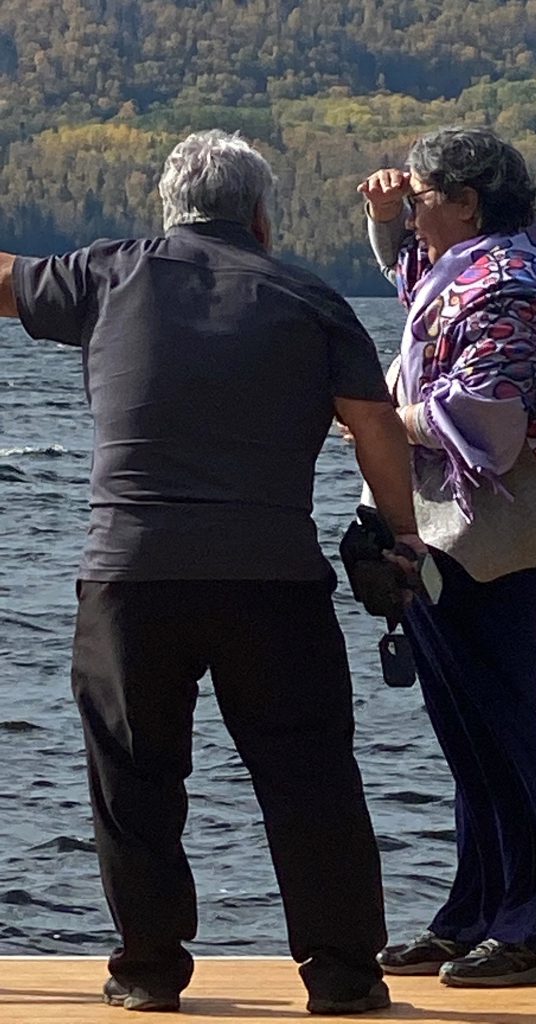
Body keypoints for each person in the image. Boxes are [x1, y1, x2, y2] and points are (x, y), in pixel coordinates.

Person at [0, 129, 427, 1016]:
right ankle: (343, 975)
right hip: (272, 581)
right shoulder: (308, 297)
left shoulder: (109, 273)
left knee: (135, 780)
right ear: (262, 218)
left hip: (131, 576)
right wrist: (401, 535)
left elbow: (3, 281)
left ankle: (150, 972)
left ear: (168, 207)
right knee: (310, 779)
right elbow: (377, 424)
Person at [356, 127, 536, 988]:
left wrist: (374, 423)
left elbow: (488, 421)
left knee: (502, 732)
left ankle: (531, 931)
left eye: (424, 194)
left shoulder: (509, 287)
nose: (413, 204)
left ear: (468, 202)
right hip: (458, 530)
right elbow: (415, 288)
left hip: (499, 538)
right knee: (470, 738)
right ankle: (475, 917)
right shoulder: (480, 265)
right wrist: (391, 220)